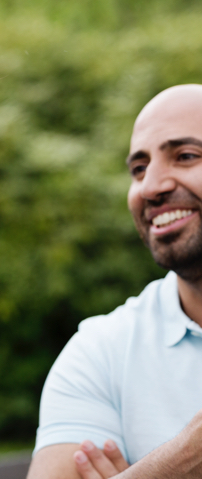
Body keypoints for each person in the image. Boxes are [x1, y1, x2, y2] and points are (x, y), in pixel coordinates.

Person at [27, 83, 202, 479]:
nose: (152, 186)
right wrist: (181, 460)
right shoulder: (100, 353)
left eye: (186, 156)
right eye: (139, 169)